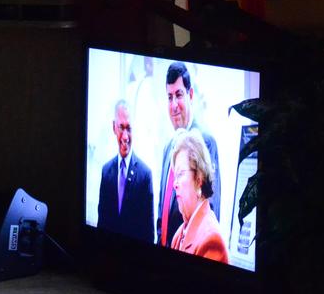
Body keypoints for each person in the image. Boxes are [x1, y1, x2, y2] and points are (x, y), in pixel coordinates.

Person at [157, 62, 221, 247]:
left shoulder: (206, 143)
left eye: (179, 95)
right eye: (169, 97)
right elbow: (163, 216)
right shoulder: (168, 148)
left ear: (190, 95)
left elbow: (211, 212)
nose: (174, 105)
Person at [167, 129, 229, 264]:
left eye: (180, 174)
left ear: (199, 179)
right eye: (174, 176)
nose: (174, 184)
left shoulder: (211, 240)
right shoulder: (178, 235)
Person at [96, 100, 154, 242]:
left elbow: (149, 233)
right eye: (121, 127)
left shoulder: (145, 175)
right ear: (114, 127)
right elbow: (101, 223)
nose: (125, 136)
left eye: (129, 128)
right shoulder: (106, 172)